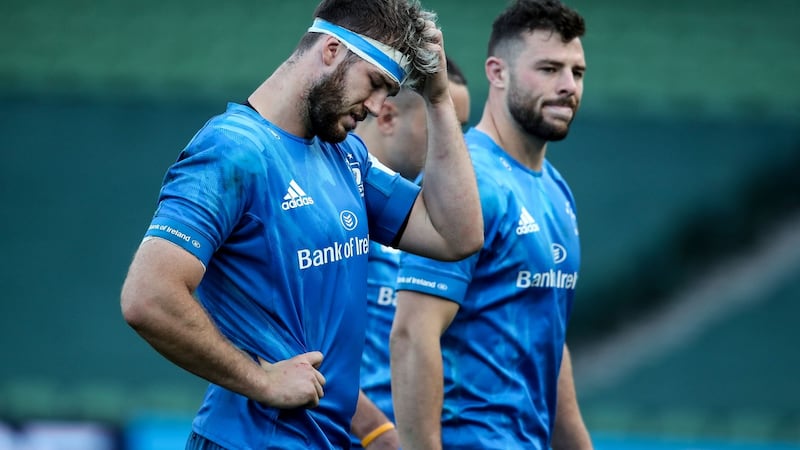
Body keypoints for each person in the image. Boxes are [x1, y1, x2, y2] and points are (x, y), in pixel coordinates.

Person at [118, 0, 484, 447]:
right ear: (331, 50)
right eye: (374, 84)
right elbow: (148, 296)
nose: (374, 106)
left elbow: (457, 236)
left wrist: (439, 99)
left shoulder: (343, 153)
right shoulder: (233, 149)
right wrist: (260, 380)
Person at [389, 0, 593, 449]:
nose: (567, 86)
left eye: (576, 73)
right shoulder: (467, 182)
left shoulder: (556, 191)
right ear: (497, 72)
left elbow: (549, 341)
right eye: (549, 69)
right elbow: (412, 333)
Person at [349, 58, 471, 449]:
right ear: (387, 117)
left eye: (462, 128)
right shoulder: (331, 207)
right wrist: (377, 433)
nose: (458, 145)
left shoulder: (435, 224)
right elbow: (293, 344)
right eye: (443, 124)